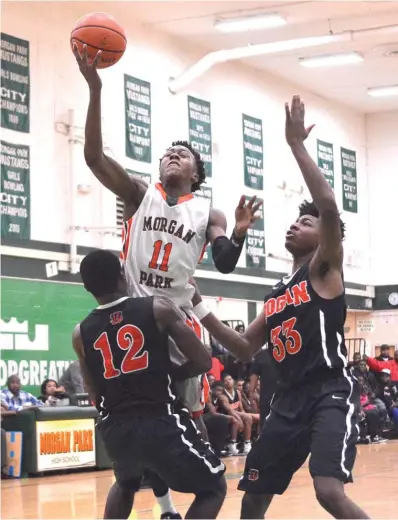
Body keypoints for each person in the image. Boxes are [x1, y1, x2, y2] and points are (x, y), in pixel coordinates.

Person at [73, 43, 259, 516]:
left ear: (196, 174)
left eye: (183, 153)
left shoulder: (207, 210)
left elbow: (224, 261)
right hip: (130, 310)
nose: (173, 155)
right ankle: (163, 503)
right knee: (136, 442)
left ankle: (172, 495)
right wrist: (95, 89)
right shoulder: (140, 195)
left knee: (181, 419)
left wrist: (236, 233)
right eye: (167, 153)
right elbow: (94, 158)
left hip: (174, 320)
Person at [190, 95, 369, 518]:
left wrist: (296, 146)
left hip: (328, 392)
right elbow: (242, 348)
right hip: (286, 402)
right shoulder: (275, 294)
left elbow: (327, 205)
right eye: (294, 220)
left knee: (328, 490)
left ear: (323, 235)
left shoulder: (324, 270)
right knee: (252, 497)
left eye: (305, 223)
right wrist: (196, 303)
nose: (295, 224)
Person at [73, 250, 227, 520]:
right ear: (123, 275)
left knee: (125, 483)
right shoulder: (157, 308)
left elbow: (94, 394)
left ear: (86, 287)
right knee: (213, 487)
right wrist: (172, 374)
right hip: (159, 419)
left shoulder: (80, 332)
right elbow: (203, 360)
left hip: (116, 427)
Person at [248, 346, 279, 426]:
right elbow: (252, 385)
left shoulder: (289, 354)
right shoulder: (261, 356)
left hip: (279, 399)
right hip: (269, 400)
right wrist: (252, 401)